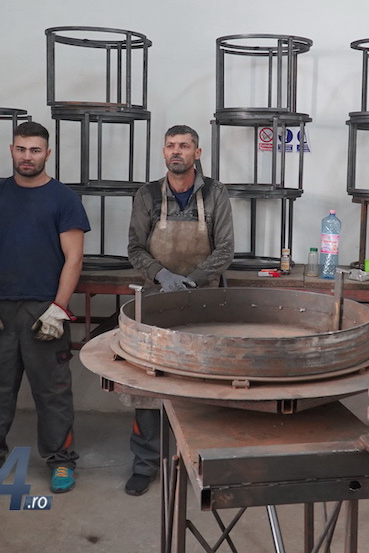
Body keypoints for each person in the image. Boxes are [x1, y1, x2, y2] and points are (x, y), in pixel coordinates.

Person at [0, 121, 90, 494]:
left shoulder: (63, 199)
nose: (27, 156)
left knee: (53, 391)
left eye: (35, 150)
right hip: (1, 308)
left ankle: (61, 461)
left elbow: (74, 259)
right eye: (21, 149)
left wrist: (59, 308)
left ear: (47, 154)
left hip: (44, 308)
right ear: (12, 150)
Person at [124, 124, 234, 495]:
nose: (176, 151)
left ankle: (204, 462)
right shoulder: (147, 195)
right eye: (171, 145)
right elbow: (135, 248)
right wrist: (164, 276)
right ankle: (145, 463)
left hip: (205, 304)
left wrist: (193, 280)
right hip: (157, 301)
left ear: (197, 153)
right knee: (148, 384)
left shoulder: (215, 193)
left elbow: (226, 249)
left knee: (205, 383)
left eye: (184, 146)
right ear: (164, 152)